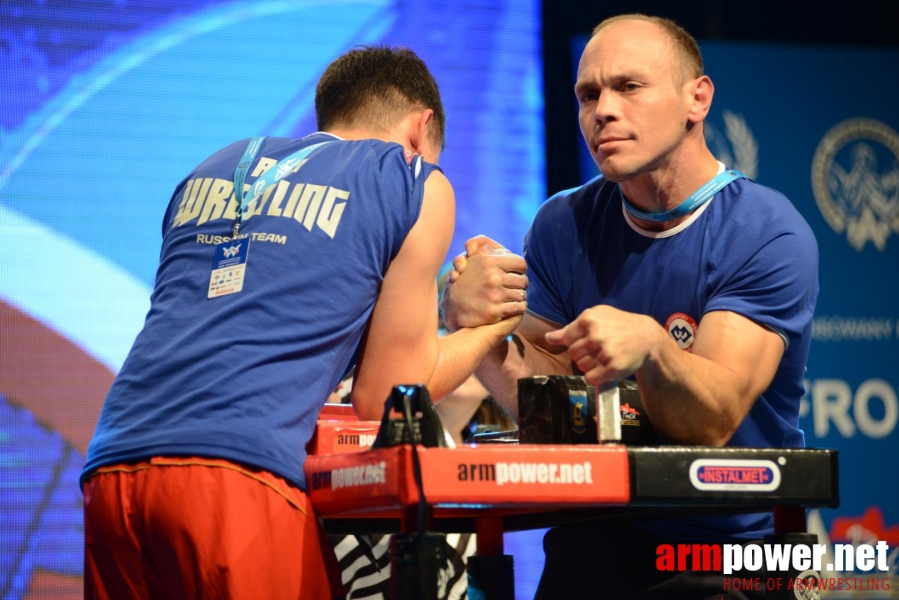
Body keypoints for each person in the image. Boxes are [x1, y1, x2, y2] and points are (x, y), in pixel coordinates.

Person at [81, 45, 524, 600]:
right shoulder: (413, 179)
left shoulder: (214, 167)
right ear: (421, 128)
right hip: (235, 476)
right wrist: (491, 325)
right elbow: (387, 394)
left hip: (111, 473)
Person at [441, 14, 819, 599]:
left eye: (629, 87)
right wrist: (479, 330)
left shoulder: (766, 230)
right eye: (588, 94)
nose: (603, 110)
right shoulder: (561, 223)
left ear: (697, 98)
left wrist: (650, 347)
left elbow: (713, 420)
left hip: (729, 547)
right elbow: (546, 399)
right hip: (596, 531)